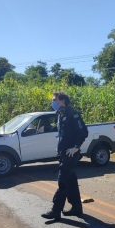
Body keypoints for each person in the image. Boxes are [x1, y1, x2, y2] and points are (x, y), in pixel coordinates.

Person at [41, 91, 88, 221]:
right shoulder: (60, 115)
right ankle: (76, 208)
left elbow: (83, 132)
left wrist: (76, 147)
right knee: (71, 182)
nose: (53, 102)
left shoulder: (73, 114)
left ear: (63, 101)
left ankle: (55, 211)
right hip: (63, 153)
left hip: (70, 154)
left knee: (62, 182)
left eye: (54, 100)